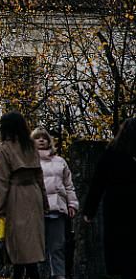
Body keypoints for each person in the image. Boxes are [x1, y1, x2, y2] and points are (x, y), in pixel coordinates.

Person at [0, 111, 49, 279]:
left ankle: (23, 275)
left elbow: (2, 181)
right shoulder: (31, 146)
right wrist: (45, 202)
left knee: (18, 244)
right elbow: (39, 176)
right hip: (34, 194)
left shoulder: (4, 149)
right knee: (31, 242)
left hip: (16, 196)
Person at [83, 118, 136, 279]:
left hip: (116, 206)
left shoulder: (111, 153)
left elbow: (98, 183)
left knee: (121, 250)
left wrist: (89, 210)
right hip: (126, 206)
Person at [32, 129, 78, 279]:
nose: (41, 140)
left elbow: (68, 185)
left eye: (44, 138)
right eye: (37, 138)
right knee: (34, 248)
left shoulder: (60, 161)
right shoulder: (29, 161)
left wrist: (72, 204)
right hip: (36, 210)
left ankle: (59, 276)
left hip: (57, 209)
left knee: (57, 247)